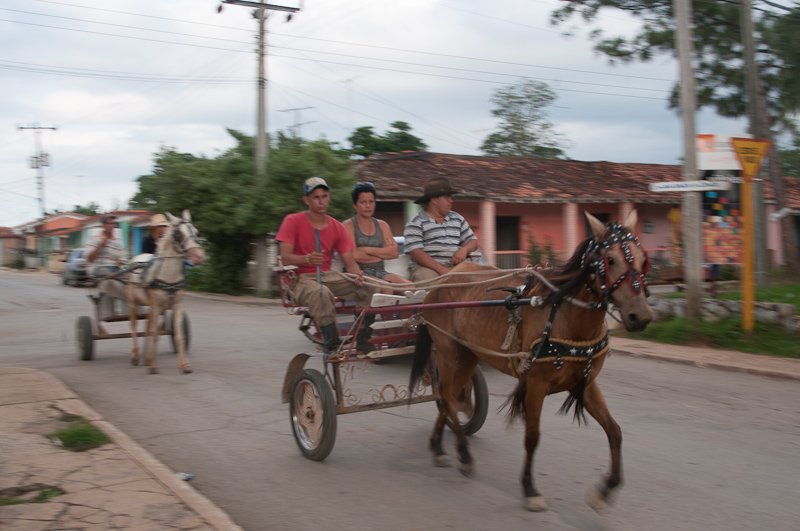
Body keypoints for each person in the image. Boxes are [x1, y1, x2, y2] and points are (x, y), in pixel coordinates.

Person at [276, 177, 380, 354]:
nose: (321, 201)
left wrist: (358, 275)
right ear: (306, 200)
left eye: (324, 196)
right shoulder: (293, 221)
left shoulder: (337, 227)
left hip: (328, 275)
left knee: (371, 287)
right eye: (316, 197)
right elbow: (285, 258)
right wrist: (307, 259)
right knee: (321, 293)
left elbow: (350, 262)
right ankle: (331, 344)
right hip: (301, 279)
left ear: (329, 197)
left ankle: (363, 339)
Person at [403, 176, 479, 283]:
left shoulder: (457, 218)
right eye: (447, 197)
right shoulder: (416, 222)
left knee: (479, 277)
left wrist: (464, 250)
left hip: (455, 267)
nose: (451, 201)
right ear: (434, 200)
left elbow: (473, 242)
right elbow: (415, 252)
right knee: (425, 277)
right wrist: (442, 270)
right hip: (427, 268)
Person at [343, 182, 412, 293]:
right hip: (359, 274)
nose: (368, 206)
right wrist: (383, 253)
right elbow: (353, 256)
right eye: (363, 202)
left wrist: (366, 250)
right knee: (386, 289)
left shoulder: (382, 225)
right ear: (354, 204)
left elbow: (394, 253)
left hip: (381, 272)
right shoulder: (348, 225)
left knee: (412, 289)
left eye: (371, 201)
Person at [85, 213, 128, 311]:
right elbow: (89, 259)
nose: (111, 226)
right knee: (109, 275)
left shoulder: (118, 241)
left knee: (131, 278)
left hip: (115, 268)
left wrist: (121, 261)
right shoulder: (94, 239)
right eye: (109, 223)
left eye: (113, 224)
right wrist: (101, 245)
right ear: (103, 225)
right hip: (98, 267)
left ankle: (128, 303)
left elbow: (123, 257)